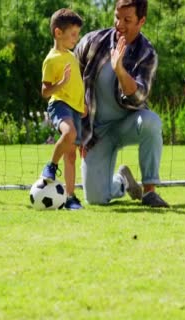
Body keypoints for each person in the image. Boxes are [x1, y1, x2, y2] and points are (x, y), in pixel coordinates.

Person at [74, 0, 169, 207]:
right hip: (97, 132)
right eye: (117, 17)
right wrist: (80, 132)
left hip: (129, 123)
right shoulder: (92, 42)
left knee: (152, 122)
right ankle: (123, 182)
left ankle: (150, 191)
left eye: (127, 20)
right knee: (96, 199)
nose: (120, 24)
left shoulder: (146, 53)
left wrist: (119, 69)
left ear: (141, 21)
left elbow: (139, 97)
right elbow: (72, 82)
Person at [40, 8, 86, 210]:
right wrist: (61, 82)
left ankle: (70, 198)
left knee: (72, 155)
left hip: (75, 108)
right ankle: (50, 166)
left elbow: (76, 83)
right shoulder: (51, 59)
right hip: (59, 104)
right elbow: (45, 91)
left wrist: (82, 104)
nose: (77, 39)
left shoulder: (72, 55)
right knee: (69, 132)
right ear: (58, 33)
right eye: (73, 34)